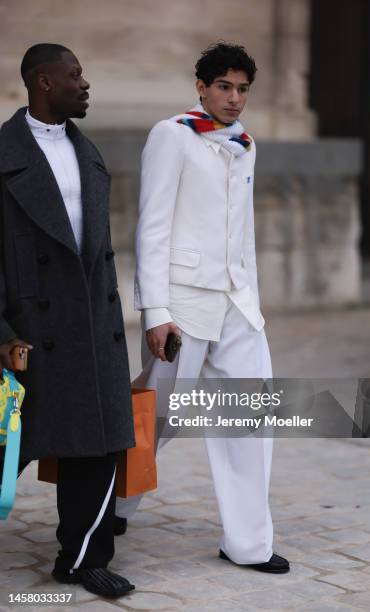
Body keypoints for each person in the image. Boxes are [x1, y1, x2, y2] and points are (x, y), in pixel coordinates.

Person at [116, 42, 290, 574]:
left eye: (242, 89)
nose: (235, 99)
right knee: (158, 415)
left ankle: (248, 544)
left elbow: (244, 235)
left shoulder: (245, 143)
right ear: (201, 86)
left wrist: (253, 301)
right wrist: (155, 312)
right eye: (224, 87)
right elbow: (152, 226)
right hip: (184, 306)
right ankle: (108, 505)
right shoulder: (172, 136)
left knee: (250, 418)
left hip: (237, 304)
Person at [0, 43, 135, 598]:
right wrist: (3, 335)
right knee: (8, 444)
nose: (85, 83)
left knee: (96, 445)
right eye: (74, 74)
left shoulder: (90, 153)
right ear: (42, 82)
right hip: (27, 330)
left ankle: (81, 558)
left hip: (90, 325)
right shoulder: (3, 154)